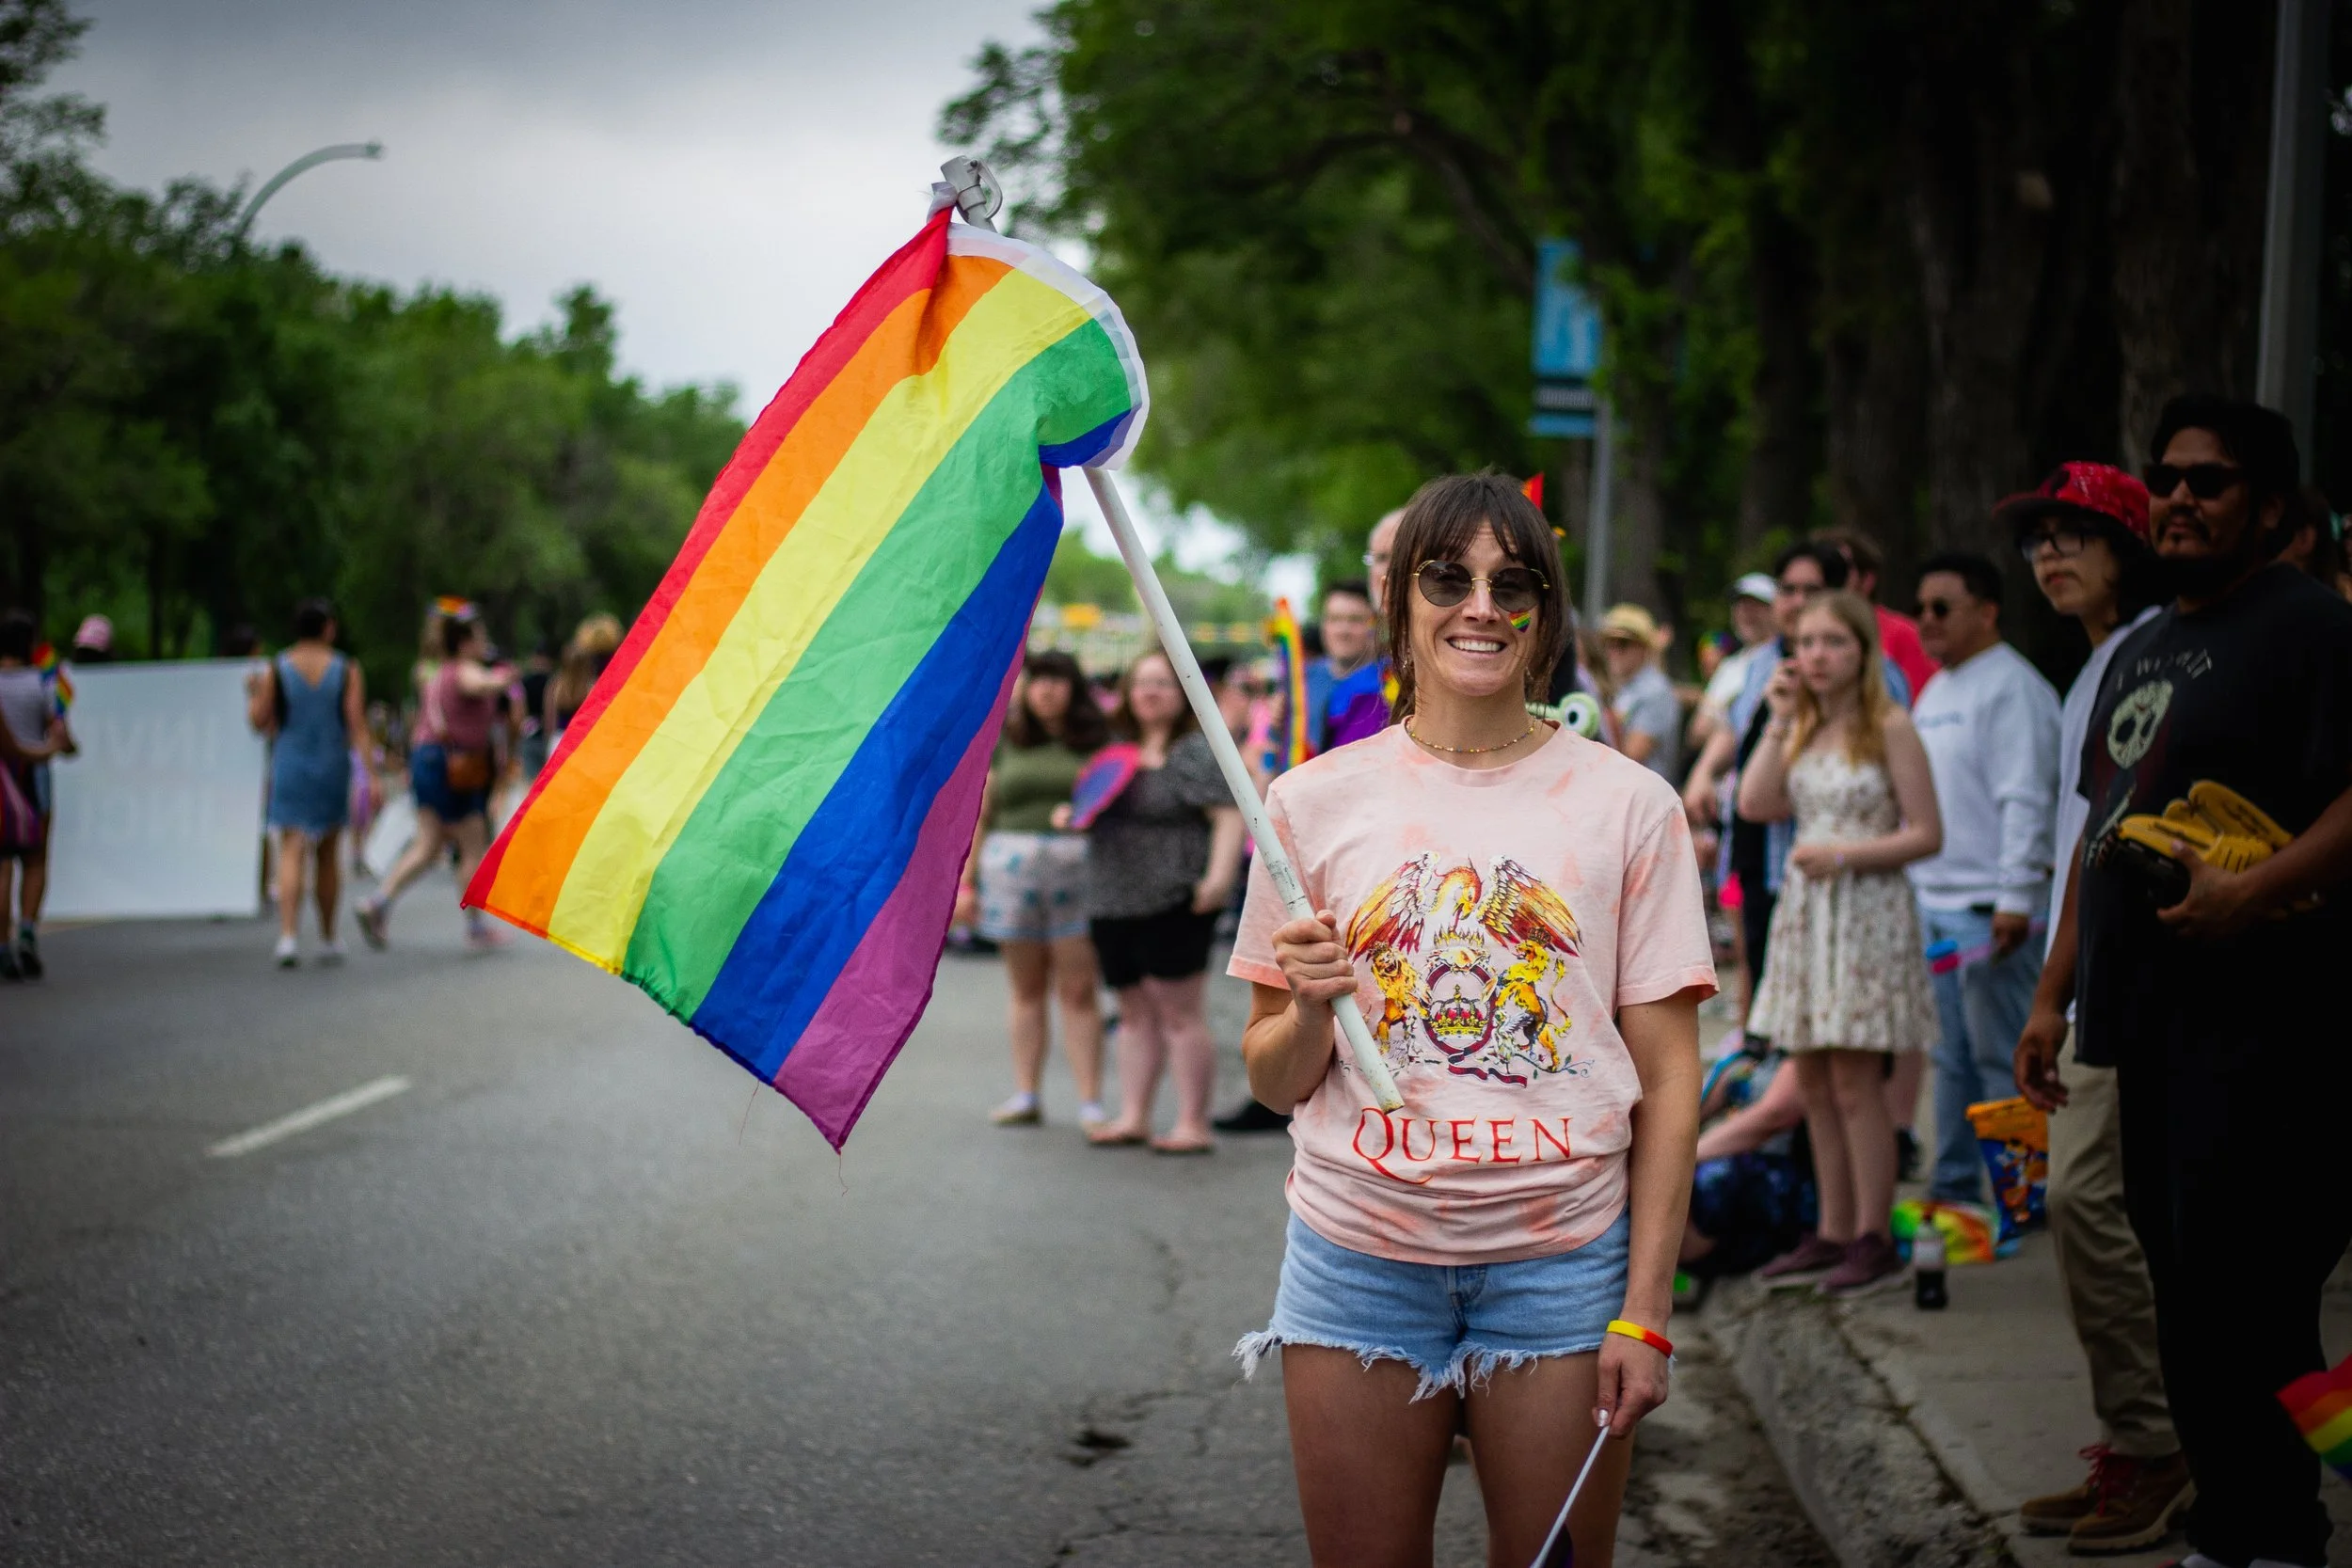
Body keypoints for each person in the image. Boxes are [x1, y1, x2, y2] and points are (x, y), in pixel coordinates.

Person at [1231, 471, 1712, 1567]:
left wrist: (1643, 1308)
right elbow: (1270, 1076)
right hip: (1356, 1255)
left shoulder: (1631, 805)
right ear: (1401, 600)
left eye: (1515, 582)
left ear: (1548, 615)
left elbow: (1671, 1081)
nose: (1481, 605)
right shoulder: (1309, 800)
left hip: (1560, 1265)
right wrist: (1309, 1008)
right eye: (1448, 577)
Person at [2016, 397, 2352, 1568]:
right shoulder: (2143, 645)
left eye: (2209, 481)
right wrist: (2052, 991)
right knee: (2182, 1291)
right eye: (2165, 478)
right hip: (2138, 1015)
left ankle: (2283, 1530)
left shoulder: (2310, 626)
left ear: (2267, 505)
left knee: (2251, 1293)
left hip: (2270, 1021)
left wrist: (2256, 892)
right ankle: (2223, 1519)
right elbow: (2095, 826)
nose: (2179, 498)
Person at [1994, 464, 2186, 1549]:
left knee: (2089, 1204)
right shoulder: (2096, 665)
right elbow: (2085, 843)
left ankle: (2162, 1447)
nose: (2049, 556)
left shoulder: (2155, 650)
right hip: (2094, 983)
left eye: (2075, 535)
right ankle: (2141, 1440)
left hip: (2155, 987)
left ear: (2130, 544)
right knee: (2098, 1212)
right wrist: (2051, 997)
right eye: (2038, 542)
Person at [1739, 592, 1941, 1295]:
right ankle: (1831, 1228)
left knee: (1858, 1082)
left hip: (1865, 909)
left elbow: (1927, 832)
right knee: (1817, 1081)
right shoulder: (1804, 724)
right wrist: (1779, 715)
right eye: (1808, 642)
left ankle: (1873, 1235)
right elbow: (1756, 805)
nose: (1817, 655)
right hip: (1809, 914)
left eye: (1834, 642)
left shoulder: (1890, 725)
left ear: (1863, 652)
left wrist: (1847, 855)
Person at [1906, 550, 2059, 1205]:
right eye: (1919, 609)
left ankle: (2018, 1198)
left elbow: (2025, 799)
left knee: (2003, 1058)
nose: (1926, 621)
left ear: (1988, 611)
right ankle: (1954, 1188)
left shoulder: (2013, 688)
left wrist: (2016, 897)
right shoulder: (1939, 687)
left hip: (1991, 912)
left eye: (1942, 607)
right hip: (1935, 905)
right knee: (1950, 1059)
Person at [1066, 649, 1245, 1153]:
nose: (1150, 692)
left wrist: (1217, 879)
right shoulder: (1114, 749)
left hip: (1174, 898)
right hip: (1111, 896)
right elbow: (1088, 807)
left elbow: (1229, 817)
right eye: (1142, 683)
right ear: (1126, 693)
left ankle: (1193, 1123)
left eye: (1163, 684)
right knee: (1132, 1011)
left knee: (1180, 1014)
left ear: (1183, 692)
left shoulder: (1196, 752)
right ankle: (1133, 1116)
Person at [955, 649, 1109, 1128]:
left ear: (1074, 688)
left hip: (1078, 875)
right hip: (1009, 875)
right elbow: (982, 811)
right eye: (1038, 680)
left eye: (1057, 680)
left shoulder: (1098, 742)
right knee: (1025, 989)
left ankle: (1090, 1101)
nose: (1046, 689)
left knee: (1079, 988)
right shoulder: (1006, 738)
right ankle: (1027, 1092)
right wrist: (966, 882)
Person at [355, 606, 516, 951]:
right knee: (472, 843)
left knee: (427, 845)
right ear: (465, 642)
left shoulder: (437, 673)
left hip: (428, 760)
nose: (485, 642)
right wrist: (504, 678)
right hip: (455, 767)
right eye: (480, 636)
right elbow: (480, 683)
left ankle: (378, 903)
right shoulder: (463, 672)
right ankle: (475, 926)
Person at [246, 599, 370, 967]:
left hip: (290, 763)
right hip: (331, 762)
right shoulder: (347, 669)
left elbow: (258, 721)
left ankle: (287, 936)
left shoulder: (277, 668)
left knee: (291, 848)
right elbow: (356, 723)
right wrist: (371, 775)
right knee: (328, 853)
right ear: (329, 627)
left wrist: (253, 693)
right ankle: (329, 936)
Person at [0, 610, 74, 980]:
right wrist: (64, 746)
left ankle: (2, 944)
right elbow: (59, 731)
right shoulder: (43, 683)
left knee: (2, 865)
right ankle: (27, 929)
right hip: (33, 778)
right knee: (35, 859)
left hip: (0, 782)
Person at [1817, 528, 1935, 705]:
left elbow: (1921, 706)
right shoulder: (1799, 635)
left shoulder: (1903, 634)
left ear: (1867, 580)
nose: (1825, 577)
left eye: (1839, 567)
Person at [1688, 573, 1778, 752]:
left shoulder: (1780, 661)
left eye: (1756, 605)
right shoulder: (1729, 665)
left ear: (1776, 609)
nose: (1746, 612)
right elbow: (1696, 732)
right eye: (1740, 605)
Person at [1597, 604, 1682, 780]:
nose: (1613, 651)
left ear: (1645, 647)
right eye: (1608, 643)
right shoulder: (1626, 688)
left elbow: (1631, 758)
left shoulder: (1656, 692)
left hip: (1644, 801)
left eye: (1623, 643)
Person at [1305, 580, 1388, 753]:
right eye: (1334, 619)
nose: (1343, 630)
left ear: (1374, 626)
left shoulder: (1392, 682)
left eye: (1355, 620)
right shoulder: (1303, 680)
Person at [543, 613, 623, 749]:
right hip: (585, 739)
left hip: (560, 739)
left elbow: (549, 720)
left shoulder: (556, 684)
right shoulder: (593, 684)